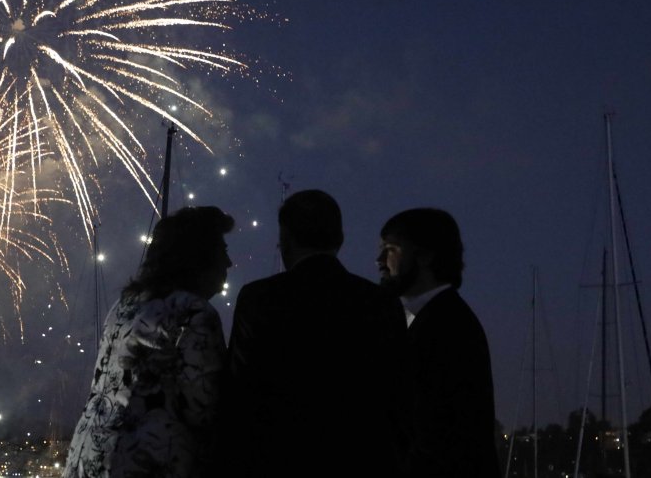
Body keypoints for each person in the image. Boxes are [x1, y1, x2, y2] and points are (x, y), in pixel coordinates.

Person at [215, 189, 408, 478]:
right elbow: (397, 397)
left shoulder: (259, 298)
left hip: (275, 460)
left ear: (286, 239)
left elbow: (241, 392)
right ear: (339, 238)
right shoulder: (381, 303)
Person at [63, 205, 235, 478]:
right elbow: (204, 407)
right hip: (146, 462)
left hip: (87, 457)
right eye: (222, 251)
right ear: (200, 255)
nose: (229, 263)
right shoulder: (193, 312)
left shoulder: (123, 305)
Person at [377, 207, 501, 478]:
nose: (380, 261)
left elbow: (439, 434)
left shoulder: (448, 327)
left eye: (391, 249)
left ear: (425, 256)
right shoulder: (436, 319)